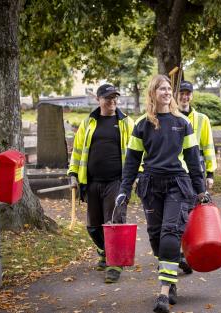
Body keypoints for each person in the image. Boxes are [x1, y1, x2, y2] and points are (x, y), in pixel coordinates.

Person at [116, 74, 206, 313]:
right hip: (151, 185)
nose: (167, 92)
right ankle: (172, 267)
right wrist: (123, 191)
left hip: (178, 184)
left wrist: (201, 192)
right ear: (152, 94)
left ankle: (164, 292)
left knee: (169, 233)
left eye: (169, 88)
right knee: (156, 237)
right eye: (162, 89)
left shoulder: (182, 123)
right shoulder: (142, 125)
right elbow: (131, 162)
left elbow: (194, 161)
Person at [67, 83, 134, 284]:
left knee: (114, 222)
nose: (112, 101)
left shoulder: (126, 122)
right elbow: (78, 150)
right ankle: (106, 251)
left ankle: (115, 264)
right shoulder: (89, 122)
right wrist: (73, 173)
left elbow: (135, 151)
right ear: (98, 100)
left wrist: (133, 177)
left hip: (117, 181)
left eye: (115, 97)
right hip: (92, 181)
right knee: (93, 226)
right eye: (108, 97)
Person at [177, 80, 217, 274]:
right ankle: (178, 253)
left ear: (192, 96)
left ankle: (191, 250)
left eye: (188, 93)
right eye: (181, 93)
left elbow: (208, 146)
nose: (185, 97)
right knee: (178, 213)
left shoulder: (202, 119)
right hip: (176, 171)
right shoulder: (170, 117)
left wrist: (210, 173)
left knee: (194, 212)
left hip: (195, 171)